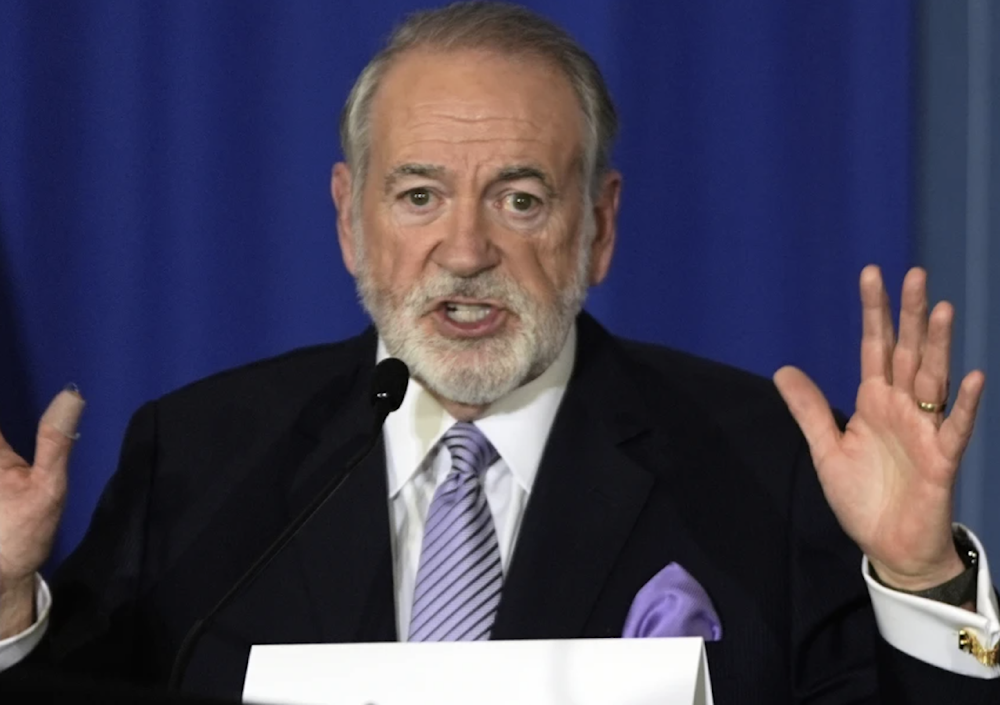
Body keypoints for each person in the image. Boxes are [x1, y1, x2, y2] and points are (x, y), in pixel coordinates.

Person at [0, 2, 997, 702]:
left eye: (520, 200)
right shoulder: (200, 457)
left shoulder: (762, 463)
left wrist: (919, 584)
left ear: (598, 227)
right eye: (418, 196)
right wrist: (5, 606)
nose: (467, 251)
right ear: (351, 221)